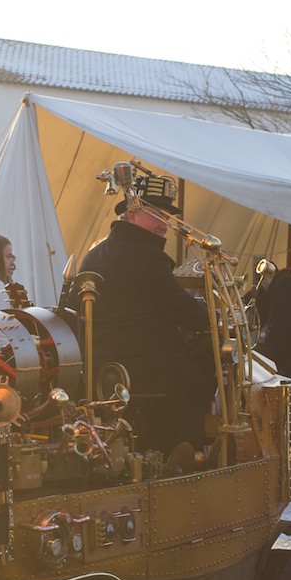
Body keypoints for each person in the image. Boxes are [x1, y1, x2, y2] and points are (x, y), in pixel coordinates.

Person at [79, 178, 214, 453]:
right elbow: (188, 313)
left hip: (99, 369)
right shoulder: (149, 257)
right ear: (131, 214)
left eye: (167, 216)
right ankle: (185, 455)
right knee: (201, 383)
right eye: (156, 214)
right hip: (142, 367)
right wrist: (214, 318)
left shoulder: (92, 256)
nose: (165, 224)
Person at [253, 266, 291, 380]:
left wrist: (271, 363)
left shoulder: (283, 290)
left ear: (265, 278)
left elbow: (281, 331)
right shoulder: (287, 288)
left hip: (290, 366)